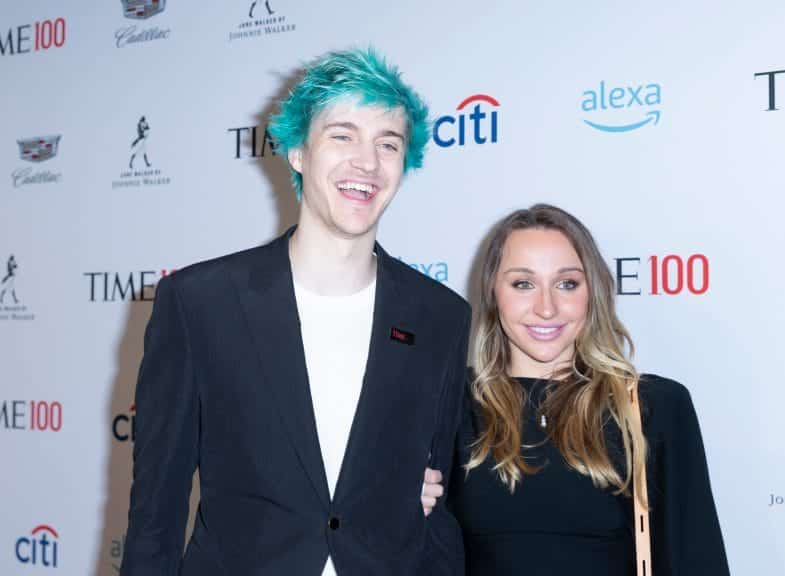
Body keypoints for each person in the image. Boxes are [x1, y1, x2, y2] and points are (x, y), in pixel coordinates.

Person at [120, 48, 469, 576]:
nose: (367, 163)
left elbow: (435, 497)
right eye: (342, 135)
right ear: (299, 152)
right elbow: (156, 514)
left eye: (388, 143)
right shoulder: (201, 303)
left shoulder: (441, 316)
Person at [429, 204, 729, 575]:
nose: (546, 307)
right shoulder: (448, 403)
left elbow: (697, 560)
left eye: (567, 283)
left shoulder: (652, 407)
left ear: (593, 291)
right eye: (523, 283)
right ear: (493, 292)